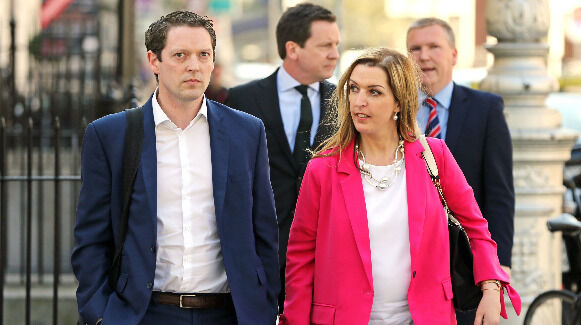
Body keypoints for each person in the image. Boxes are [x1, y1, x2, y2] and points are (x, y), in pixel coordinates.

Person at [280, 48, 520, 325]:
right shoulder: (322, 169)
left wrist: (491, 288)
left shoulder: (434, 156)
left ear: (398, 102)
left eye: (374, 92)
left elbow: (476, 227)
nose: (359, 101)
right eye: (354, 89)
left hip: (426, 317)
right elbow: (300, 258)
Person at [71, 11, 279, 325]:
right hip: (144, 314)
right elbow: (91, 238)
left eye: (203, 55)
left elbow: (264, 230)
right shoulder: (110, 135)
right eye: (180, 55)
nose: (193, 65)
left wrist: (265, 306)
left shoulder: (247, 132)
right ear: (154, 61)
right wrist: (101, 314)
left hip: (229, 313)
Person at [225, 2, 339, 312]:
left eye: (336, 45)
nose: (335, 54)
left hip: (324, 253)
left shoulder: (346, 102)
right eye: (325, 45)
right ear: (293, 48)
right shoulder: (243, 99)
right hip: (259, 253)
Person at [406, 18, 515, 324]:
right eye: (415, 48)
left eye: (433, 47)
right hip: (407, 260)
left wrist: (499, 264)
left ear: (453, 54)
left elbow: (499, 193)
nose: (424, 56)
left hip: (464, 261)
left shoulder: (486, 109)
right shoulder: (393, 110)